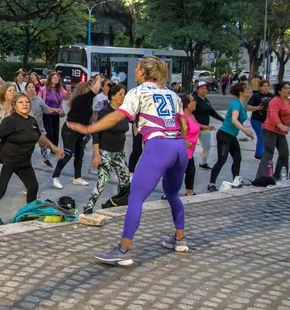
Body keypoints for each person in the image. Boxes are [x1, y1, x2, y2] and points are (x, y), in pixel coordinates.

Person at [67, 56, 190, 265]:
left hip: (158, 146)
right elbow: (184, 124)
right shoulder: (171, 94)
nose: (135, 71)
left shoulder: (138, 92)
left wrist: (88, 129)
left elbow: (117, 116)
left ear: (142, 72)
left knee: (135, 198)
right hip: (178, 147)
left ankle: (123, 251)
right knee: (172, 195)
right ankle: (180, 239)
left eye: (137, 68)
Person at [0, 92, 62, 216]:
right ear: (14, 106)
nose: (25, 104)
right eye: (21, 102)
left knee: (33, 187)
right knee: (0, 190)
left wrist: (54, 147)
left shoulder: (31, 120)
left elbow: (39, 136)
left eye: (26, 102)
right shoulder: (10, 120)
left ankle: (30, 213)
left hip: (24, 162)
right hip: (7, 161)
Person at [84, 83, 130, 213]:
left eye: (124, 94)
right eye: (120, 94)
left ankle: (119, 202)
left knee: (125, 179)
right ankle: (89, 206)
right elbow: (96, 133)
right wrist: (96, 154)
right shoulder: (105, 111)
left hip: (119, 151)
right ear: (113, 96)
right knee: (104, 180)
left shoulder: (124, 111)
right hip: (105, 151)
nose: (123, 96)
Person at [51, 76, 101, 189]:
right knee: (68, 154)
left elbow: (90, 115)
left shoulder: (86, 101)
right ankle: (55, 177)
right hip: (70, 130)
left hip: (80, 131)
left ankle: (77, 178)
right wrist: (98, 78)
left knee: (80, 154)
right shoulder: (80, 99)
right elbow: (95, 89)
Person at [207, 82, 255, 192]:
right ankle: (211, 184)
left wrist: (258, 108)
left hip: (232, 136)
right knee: (221, 160)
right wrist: (245, 130)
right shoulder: (236, 104)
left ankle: (236, 181)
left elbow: (248, 109)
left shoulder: (242, 104)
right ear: (242, 92)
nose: (250, 90)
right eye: (247, 89)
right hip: (224, 135)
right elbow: (234, 119)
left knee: (237, 158)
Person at [256, 82, 290, 181]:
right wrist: (280, 125)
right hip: (270, 130)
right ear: (279, 91)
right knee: (268, 153)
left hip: (281, 132)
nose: (288, 90)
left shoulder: (289, 101)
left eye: (289, 88)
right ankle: (261, 177)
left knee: (284, 153)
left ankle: (279, 176)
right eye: (285, 88)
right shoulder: (275, 101)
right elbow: (273, 115)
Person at [178, 94, 211, 197]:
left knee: (190, 171)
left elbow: (196, 125)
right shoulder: (182, 117)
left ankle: (189, 192)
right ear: (187, 104)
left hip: (189, 152)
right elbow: (178, 131)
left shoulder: (191, 116)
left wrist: (206, 127)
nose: (195, 102)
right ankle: (174, 193)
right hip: (182, 151)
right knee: (179, 173)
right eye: (193, 101)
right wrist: (183, 141)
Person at [191, 82, 223, 169]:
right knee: (190, 146)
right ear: (197, 90)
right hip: (194, 127)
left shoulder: (206, 101)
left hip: (205, 128)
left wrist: (222, 119)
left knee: (207, 146)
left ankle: (203, 163)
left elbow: (212, 112)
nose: (204, 90)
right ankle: (186, 162)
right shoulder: (194, 100)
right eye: (202, 88)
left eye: (206, 88)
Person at [40, 72, 68, 167]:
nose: (56, 79)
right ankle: (47, 147)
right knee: (49, 132)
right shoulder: (44, 89)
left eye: (58, 78)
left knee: (56, 132)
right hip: (47, 113)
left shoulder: (59, 89)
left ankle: (53, 149)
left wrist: (67, 87)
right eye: (54, 77)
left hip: (56, 113)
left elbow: (66, 95)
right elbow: (40, 100)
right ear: (50, 78)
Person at [248, 81, 273, 160]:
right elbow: (248, 107)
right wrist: (257, 108)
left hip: (268, 120)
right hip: (257, 120)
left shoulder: (272, 96)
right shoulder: (256, 96)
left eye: (267, 86)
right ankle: (258, 155)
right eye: (264, 86)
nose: (266, 88)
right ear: (260, 87)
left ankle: (263, 153)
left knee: (266, 138)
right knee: (261, 136)